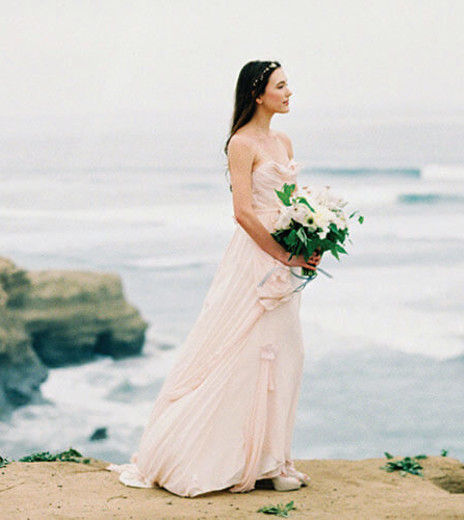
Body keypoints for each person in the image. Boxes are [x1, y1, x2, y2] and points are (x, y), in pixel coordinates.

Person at [112, 60, 320, 497]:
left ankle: (274, 458)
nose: (289, 92)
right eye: (281, 86)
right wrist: (283, 253)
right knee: (244, 352)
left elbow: (294, 202)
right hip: (256, 260)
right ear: (258, 94)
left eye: (288, 85)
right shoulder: (241, 144)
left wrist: (310, 241)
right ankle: (237, 459)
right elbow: (243, 212)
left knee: (286, 353)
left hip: (284, 258)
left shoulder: (283, 140)